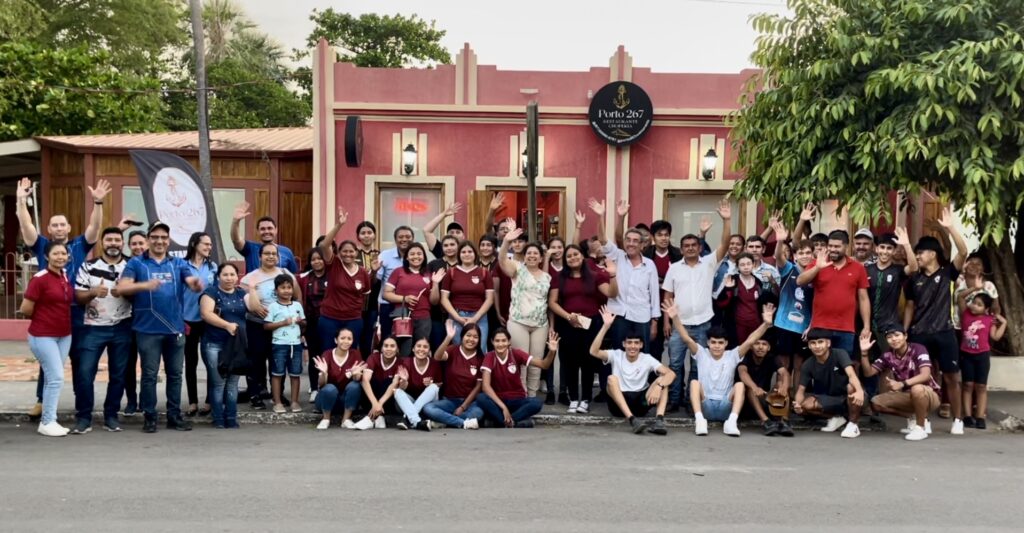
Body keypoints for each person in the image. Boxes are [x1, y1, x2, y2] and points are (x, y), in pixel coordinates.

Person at [16, 177, 110, 419]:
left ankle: (81, 403)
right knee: (48, 361)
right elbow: (26, 227)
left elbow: (94, 228)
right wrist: (21, 201)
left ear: (68, 228)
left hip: (77, 311)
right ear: (49, 230)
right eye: (54, 225)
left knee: (79, 359)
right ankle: (42, 401)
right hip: (49, 311)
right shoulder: (42, 246)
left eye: (62, 225)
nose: (58, 228)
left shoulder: (79, 245)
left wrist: (98, 203)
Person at [116, 222, 203, 434]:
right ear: (148, 239)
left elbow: (190, 279)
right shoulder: (136, 263)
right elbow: (121, 287)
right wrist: (143, 285)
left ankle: (174, 416)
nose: (159, 241)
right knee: (149, 375)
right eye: (155, 237)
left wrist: (194, 284)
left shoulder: (178, 263)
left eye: (164, 237)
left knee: (175, 375)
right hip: (147, 330)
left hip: (175, 329)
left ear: (168, 240)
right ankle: (150, 416)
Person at [662, 201, 733, 412]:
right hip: (679, 325)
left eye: (694, 245)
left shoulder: (709, 263)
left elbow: (725, 244)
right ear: (681, 249)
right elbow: (668, 295)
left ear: (700, 247)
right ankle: (674, 399)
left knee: (697, 365)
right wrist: (667, 322)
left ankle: (690, 400)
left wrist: (726, 220)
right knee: (675, 364)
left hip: (703, 324)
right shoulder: (674, 268)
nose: (690, 248)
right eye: (686, 246)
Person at [668, 298, 775, 437]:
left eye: (720, 342)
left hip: (726, 406)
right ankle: (700, 421)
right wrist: (675, 318)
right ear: (708, 343)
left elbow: (750, 341)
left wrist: (766, 324)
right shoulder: (701, 353)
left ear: (726, 343)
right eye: (713, 342)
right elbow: (687, 338)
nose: (717, 346)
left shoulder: (733, 355)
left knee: (740, 385)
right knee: (694, 383)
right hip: (705, 405)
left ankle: (731, 422)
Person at [904, 207, 969, 433]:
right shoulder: (913, 279)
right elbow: (910, 306)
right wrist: (905, 331)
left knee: (951, 377)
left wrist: (950, 227)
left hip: (945, 333)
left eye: (920, 253)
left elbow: (963, 251)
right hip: (919, 335)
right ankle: (923, 422)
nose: (918, 256)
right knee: (921, 379)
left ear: (932, 254)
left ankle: (958, 420)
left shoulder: (948, 273)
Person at [71, 227, 132, 434]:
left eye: (117, 240)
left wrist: (125, 292)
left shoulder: (131, 265)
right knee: (85, 373)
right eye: (109, 240)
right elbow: (78, 296)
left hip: (122, 326)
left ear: (122, 243)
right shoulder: (88, 266)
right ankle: (83, 417)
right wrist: (93, 292)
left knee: (118, 375)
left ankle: (111, 416)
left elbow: (139, 296)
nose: (113, 243)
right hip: (93, 328)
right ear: (102, 243)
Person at [549, 244, 618, 414]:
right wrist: (568, 317)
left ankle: (585, 399)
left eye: (576, 254)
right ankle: (573, 398)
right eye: (569, 256)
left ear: (582, 256)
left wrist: (612, 275)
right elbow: (552, 302)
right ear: (565, 260)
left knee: (588, 362)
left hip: (591, 324)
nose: (573, 258)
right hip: (568, 324)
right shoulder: (559, 277)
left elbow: (611, 293)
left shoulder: (595, 276)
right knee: (569, 363)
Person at [589, 306, 675, 435]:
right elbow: (593, 351)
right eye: (629, 343)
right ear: (624, 344)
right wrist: (605, 327)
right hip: (618, 405)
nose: (632, 346)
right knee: (611, 379)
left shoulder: (647, 358)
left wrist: (659, 386)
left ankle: (659, 421)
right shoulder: (616, 355)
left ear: (641, 345)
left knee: (664, 380)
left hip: (641, 403)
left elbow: (671, 374)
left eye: (636, 343)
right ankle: (632, 420)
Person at [21, 243, 74, 436]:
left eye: (63, 253)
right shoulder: (39, 279)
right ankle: (47, 421)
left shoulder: (64, 275)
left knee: (52, 378)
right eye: (56, 253)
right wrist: (45, 318)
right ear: (46, 256)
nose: (60, 257)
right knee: (56, 378)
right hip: (43, 335)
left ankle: (49, 418)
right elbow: (26, 309)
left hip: (64, 335)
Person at [240, 243, 300, 410]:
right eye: (267, 253)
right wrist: (254, 299)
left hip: (281, 326)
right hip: (257, 324)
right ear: (260, 257)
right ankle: (255, 394)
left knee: (278, 359)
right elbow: (249, 304)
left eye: (274, 253)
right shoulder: (250, 278)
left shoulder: (285, 273)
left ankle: (277, 395)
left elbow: (296, 295)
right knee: (256, 360)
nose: (271, 256)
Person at [496, 222, 552, 398]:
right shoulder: (517, 268)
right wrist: (506, 241)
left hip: (540, 325)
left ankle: (532, 397)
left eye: (536, 253)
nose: (532, 256)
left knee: (536, 362)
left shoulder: (547, 277)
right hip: (518, 322)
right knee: (521, 362)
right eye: (529, 253)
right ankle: (521, 395)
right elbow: (502, 260)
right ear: (525, 256)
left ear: (541, 258)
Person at [857, 324, 940, 441]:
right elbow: (868, 372)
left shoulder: (918, 348)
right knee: (876, 403)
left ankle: (921, 428)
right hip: (907, 395)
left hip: (929, 394)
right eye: (889, 337)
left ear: (905, 336)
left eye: (897, 335)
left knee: (917, 389)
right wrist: (864, 353)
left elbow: (925, 375)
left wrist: (902, 384)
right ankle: (914, 417)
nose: (894, 339)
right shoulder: (888, 355)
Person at [796, 229, 871, 355]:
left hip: (846, 328)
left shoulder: (858, 268)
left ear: (846, 247)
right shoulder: (818, 263)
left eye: (837, 246)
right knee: (821, 363)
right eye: (830, 246)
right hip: (820, 326)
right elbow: (800, 281)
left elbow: (863, 299)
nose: (832, 249)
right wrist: (817, 268)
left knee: (844, 364)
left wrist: (866, 326)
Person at [477, 328, 558, 428]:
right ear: (492, 342)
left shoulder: (516, 353)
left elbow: (544, 365)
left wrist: (552, 351)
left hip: (517, 399)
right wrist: (503, 407)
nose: (500, 344)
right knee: (481, 398)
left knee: (536, 403)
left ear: (509, 342)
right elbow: (485, 387)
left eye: (504, 340)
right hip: (498, 401)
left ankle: (502, 422)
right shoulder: (489, 356)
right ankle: (516, 422)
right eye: (497, 341)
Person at [793, 329, 866, 438]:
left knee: (851, 386)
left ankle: (853, 425)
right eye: (813, 343)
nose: (817, 346)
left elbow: (851, 375)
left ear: (828, 343)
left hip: (852, 397)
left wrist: (859, 391)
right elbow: (801, 390)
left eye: (820, 342)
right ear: (809, 345)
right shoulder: (807, 364)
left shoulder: (839, 353)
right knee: (805, 405)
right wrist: (797, 405)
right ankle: (837, 418)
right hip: (832, 399)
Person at [199, 264, 248, 429]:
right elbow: (206, 314)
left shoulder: (241, 293)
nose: (229, 278)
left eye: (232, 274)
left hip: (236, 346)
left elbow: (254, 308)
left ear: (237, 276)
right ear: (218, 276)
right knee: (219, 383)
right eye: (225, 274)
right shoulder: (211, 292)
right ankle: (218, 418)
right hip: (214, 343)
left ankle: (231, 418)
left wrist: (253, 290)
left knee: (233, 383)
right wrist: (227, 325)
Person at [318, 210, 373, 355]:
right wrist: (339, 225)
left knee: (351, 354)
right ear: (339, 253)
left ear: (356, 253)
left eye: (351, 251)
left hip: (353, 320)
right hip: (330, 318)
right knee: (328, 353)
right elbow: (324, 245)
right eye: (344, 251)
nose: (348, 254)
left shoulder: (363, 272)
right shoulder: (334, 264)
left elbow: (365, 296)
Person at [769, 220, 814, 392]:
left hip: (804, 327)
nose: (805, 256)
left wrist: (811, 325)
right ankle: (782, 398)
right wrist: (780, 241)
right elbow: (779, 257)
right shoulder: (788, 268)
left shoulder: (815, 273)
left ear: (813, 255)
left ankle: (797, 399)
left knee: (799, 365)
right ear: (795, 256)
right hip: (784, 325)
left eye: (808, 252)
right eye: (801, 253)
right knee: (784, 365)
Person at [383, 242, 443, 356]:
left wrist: (435, 284)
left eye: (419, 254)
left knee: (421, 350)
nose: (416, 256)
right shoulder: (398, 271)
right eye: (412, 254)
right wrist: (404, 298)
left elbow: (434, 301)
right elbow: (386, 294)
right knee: (403, 352)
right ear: (407, 257)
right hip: (403, 318)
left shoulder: (429, 274)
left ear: (424, 256)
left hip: (424, 318)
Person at [423, 321, 484, 429]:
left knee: (479, 413)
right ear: (462, 336)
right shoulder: (453, 350)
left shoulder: (481, 358)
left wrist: (463, 407)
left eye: (475, 337)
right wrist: (448, 338)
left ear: (479, 340)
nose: (471, 339)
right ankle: (462, 423)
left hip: (470, 403)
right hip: (450, 400)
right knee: (428, 408)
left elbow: (478, 387)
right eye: (468, 335)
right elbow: (437, 357)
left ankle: (445, 421)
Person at [182, 232, 217, 417]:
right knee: (190, 362)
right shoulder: (182, 266)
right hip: (187, 320)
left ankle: (209, 401)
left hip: (207, 320)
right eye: (206, 244)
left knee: (211, 360)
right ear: (194, 244)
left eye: (210, 244)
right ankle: (193, 402)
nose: (209, 247)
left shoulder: (213, 267)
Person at [959, 294, 1007, 430]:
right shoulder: (966, 314)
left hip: (982, 356)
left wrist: (1004, 323)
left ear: (986, 309)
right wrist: (975, 288)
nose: (974, 306)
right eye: (974, 302)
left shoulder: (989, 319)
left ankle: (980, 417)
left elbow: (995, 336)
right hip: (966, 355)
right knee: (967, 385)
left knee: (981, 386)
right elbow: (961, 298)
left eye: (979, 305)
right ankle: (967, 416)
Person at [736, 332, 793, 436]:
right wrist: (755, 387)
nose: (760, 347)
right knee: (750, 389)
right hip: (745, 404)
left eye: (764, 344)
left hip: (763, 399)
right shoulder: (745, 357)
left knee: (780, 385)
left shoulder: (772, 358)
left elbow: (784, 373)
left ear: (769, 347)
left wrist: (784, 387)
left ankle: (784, 421)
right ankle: (766, 422)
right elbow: (742, 372)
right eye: (757, 343)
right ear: (751, 346)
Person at [264, 275, 306, 414]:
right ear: (276, 290)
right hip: (279, 345)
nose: (287, 290)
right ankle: (277, 402)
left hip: (296, 344)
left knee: (295, 374)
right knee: (277, 374)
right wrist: (283, 323)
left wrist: (301, 322)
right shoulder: (273, 306)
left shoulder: (297, 305)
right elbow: (266, 326)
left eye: (289, 287)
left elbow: (304, 323)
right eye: (283, 288)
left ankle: (294, 401)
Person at [440, 241, 494, 345]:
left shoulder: (484, 273)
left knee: (480, 348)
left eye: (470, 251)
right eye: (463, 252)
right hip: (457, 315)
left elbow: (490, 299)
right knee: (458, 348)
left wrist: (475, 318)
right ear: (459, 254)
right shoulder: (451, 273)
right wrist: (457, 318)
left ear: (475, 254)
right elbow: (444, 299)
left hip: (479, 316)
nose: (467, 254)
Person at [311, 328, 365, 430]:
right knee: (329, 388)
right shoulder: (327, 354)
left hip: (346, 401)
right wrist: (324, 373)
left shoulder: (355, 354)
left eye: (349, 338)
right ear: (336, 340)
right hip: (326, 401)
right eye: (342, 338)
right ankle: (326, 419)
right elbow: (321, 385)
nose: (346, 341)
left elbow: (357, 379)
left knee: (355, 385)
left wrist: (356, 374)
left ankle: (346, 419)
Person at [230, 201, 298, 274]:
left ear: (276, 230)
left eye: (269, 228)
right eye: (262, 229)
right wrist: (235, 221)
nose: (266, 231)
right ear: (257, 231)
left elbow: (293, 275)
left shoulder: (286, 252)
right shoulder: (250, 248)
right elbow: (236, 240)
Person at [715, 253, 767, 346]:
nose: (746, 267)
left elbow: (762, 303)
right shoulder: (733, 280)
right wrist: (728, 289)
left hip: (755, 323)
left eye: (748, 264)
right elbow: (721, 303)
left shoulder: (758, 283)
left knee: (753, 349)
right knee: (739, 350)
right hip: (737, 325)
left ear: (753, 265)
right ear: (737, 267)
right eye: (742, 265)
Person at [393, 337, 444, 431]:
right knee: (397, 391)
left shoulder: (434, 363)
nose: (421, 349)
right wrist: (404, 380)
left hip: (428, 403)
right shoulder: (406, 362)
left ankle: (407, 419)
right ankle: (417, 422)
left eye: (425, 347)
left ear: (429, 351)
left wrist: (431, 382)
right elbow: (402, 388)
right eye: (418, 346)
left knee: (433, 387)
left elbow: (440, 384)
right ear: (413, 349)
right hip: (409, 402)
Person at [122, 230, 148, 416]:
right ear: (129, 246)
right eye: (134, 244)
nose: (138, 247)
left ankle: (146, 400)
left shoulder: (152, 265)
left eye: (141, 243)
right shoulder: (126, 265)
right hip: (126, 321)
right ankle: (131, 400)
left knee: (148, 364)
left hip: (147, 321)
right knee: (128, 364)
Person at [376, 225, 415, 342]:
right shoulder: (385, 255)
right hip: (388, 305)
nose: (404, 239)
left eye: (408, 236)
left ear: (413, 239)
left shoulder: (417, 256)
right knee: (388, 340)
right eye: (401, 237)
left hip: (410, 305)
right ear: (395, 239)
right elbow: (376, 281)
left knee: (408, 340)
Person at [354, 337, 403, 430]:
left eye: (392, 346)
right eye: (386, 346)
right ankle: (378, 418)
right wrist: (375, 403)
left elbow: (394, 384)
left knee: (389, 383)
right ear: (381, 348)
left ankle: (370, 419)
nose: (388, 348)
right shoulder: (374, 357)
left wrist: (379, 404)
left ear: (397, 349)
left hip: (386, 403)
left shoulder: (400, 362)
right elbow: (365, 380)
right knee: (373, 381)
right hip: (370, 401)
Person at [299, 247, 328, 403]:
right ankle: (314, 388)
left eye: (319, 258)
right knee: (314, 356)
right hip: (312, 322)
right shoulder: (305, 278)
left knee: (328, 355)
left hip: (330, 321)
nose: (316, 262)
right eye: (313, 259)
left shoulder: (333, 275)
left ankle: (328, 387)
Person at [354, 221, 381, 355]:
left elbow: (380, 280)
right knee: (353, 337)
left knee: (368, 339)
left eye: (369, 232)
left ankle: (367, 364)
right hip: (355, 304)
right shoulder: (353, 254)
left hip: (373, 304)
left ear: (374, 235)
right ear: (358, 236)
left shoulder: (380, 255)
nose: (366, 235)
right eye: (363, 233)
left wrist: (374, 272)